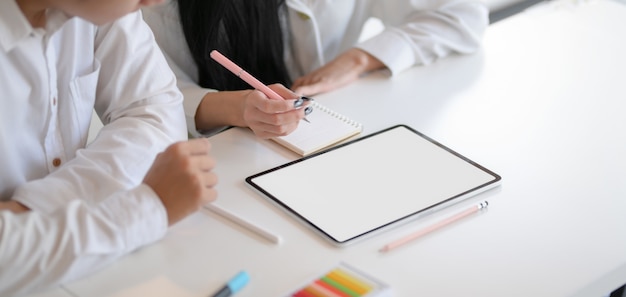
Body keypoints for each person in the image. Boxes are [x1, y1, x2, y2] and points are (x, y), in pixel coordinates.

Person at [0, 0, 218, 296]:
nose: (157, 2)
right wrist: (146, 208)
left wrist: (25, 216)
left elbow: (157, 113)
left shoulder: (98, 9)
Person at [142, 0, 489, 138]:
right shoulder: (153, 8)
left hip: (333, 139)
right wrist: (238, 108)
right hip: (222, 162)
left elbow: (462, 14)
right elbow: (147, 101)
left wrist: (359, 59)